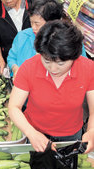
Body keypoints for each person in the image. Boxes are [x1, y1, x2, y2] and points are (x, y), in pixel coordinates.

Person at [8, 20, 94, 153]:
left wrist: (91, 131)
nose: (53, 68)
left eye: (61, 64)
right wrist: (31, 133)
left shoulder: (88, 69)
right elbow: (14, 107)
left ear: (74, 56)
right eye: (46, 60)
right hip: (36, 132)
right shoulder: (29, 68)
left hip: (71, 136)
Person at [7, 0, 64, 79]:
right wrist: (15, 69)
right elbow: (12, 57)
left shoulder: (68, 41)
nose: (33, 27)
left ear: (52, 23)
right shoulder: (22, 36)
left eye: (37, 24)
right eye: (31, 22)